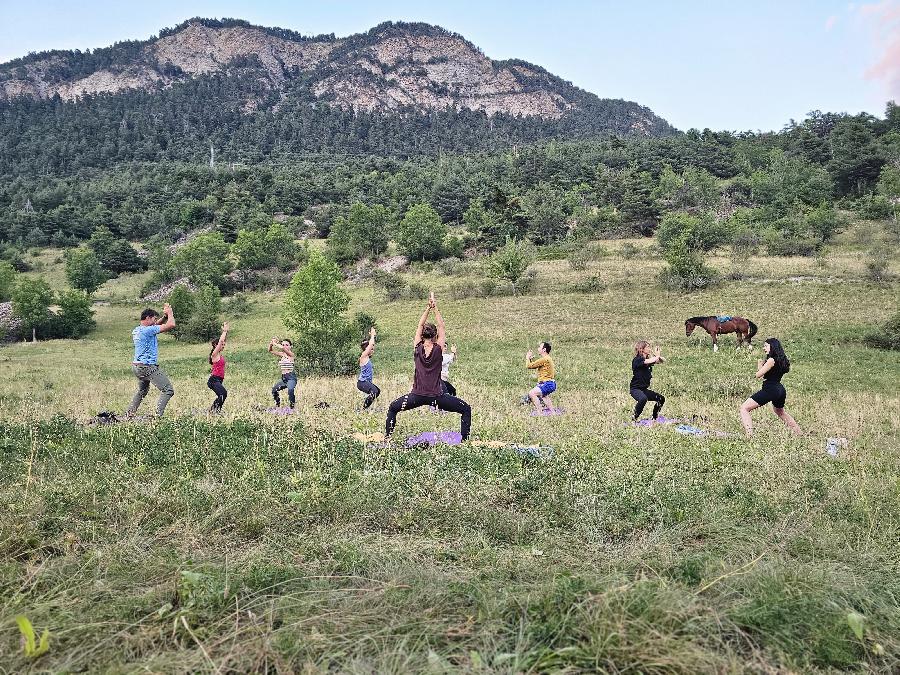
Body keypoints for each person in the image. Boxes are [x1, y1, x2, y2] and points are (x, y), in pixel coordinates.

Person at [385, 292, 472, 441]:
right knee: (466, 409)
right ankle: (464, 442)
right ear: (435, 336)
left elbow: (419, 325)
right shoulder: (438, 349)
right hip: (436, 396)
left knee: (393, 408)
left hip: (417, 395)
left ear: (423, 335)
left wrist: (427, 308)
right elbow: (441, 325)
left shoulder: (417, 347)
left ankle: (387, 438)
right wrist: (435, 307)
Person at [739, 337, 802, 436]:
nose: (764, 348)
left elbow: (759, 375)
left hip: (770, 389)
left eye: (766, 346)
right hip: (780, 390)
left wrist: (759, 364)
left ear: (772, 346)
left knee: (744, 408)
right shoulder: (781, 360)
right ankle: (799, 433)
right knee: (780, 412)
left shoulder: (771, 360)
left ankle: (749, 436)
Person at [126, 303, 177, 418]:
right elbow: (171, 324)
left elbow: (154, 326)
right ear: (148, 318)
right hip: (147, 367)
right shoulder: (147, 331)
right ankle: (157, 416)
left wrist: (163, 317)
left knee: (142, 391)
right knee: (168, 390)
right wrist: (170, 313)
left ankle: (129, 414)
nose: (155, 321)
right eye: (153, 319)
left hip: (137, 367)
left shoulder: (137, 330)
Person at [630, 340, 666, 421]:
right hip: (635, 389)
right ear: (641, 349)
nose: (650, 349)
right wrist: (657, 356)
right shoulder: (637, 360)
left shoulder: (647, 361)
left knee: (661, 399)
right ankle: (634, 418)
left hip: (643, 389)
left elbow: (662, 361)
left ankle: (654, 418)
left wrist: (658, 356)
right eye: (648, 347)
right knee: (643, 399)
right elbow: (649, 361)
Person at [524, 342, 556, 413]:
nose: (538, 349)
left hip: (547, 384)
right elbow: (534, 365)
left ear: (544, 349)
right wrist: (530, 360)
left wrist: (527, 358)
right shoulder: (547, 358)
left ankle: (540, 412)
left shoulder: (544, 359)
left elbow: (529, 366)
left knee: (532, 393)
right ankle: (552, 412)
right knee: (544, 396)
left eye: (539, 347)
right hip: (551, 383)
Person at [269, 337, 297, 408]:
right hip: (284, 378)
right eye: (283, 344)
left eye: (287, 345)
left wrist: (276, 343)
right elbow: (270, 350)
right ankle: (277, 405)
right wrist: (271, 344)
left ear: (291, 346)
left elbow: (283, 348)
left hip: (291, 377)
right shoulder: (282, 354)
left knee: (290, 390)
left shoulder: (291, 355)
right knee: (274, 390)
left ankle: (292, 407)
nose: (285, 346)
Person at [207, 322, 229, 413]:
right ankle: (215, 411)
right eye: (222, 345)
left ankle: (214, 410)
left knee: (222, 395)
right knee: (223, 394)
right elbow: (220, 341)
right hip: (214, 380)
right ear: (216, 345)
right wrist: (224, 331)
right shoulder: (214, 354)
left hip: (219, 380)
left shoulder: (219, 355)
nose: (223, 346)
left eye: (224, 345)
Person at [357, 326, 380, 410]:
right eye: (371, 349)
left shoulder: (366, 357)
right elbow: (370, 344)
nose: (372, 350)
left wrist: (372, 337)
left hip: (365, 382)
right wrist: (373, 335)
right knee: (374, 392)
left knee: (377, 391)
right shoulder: (363, 356)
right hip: (362, 382)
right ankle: (364, 409)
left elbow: (370, 345)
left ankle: (365, 408)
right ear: (367, 349)